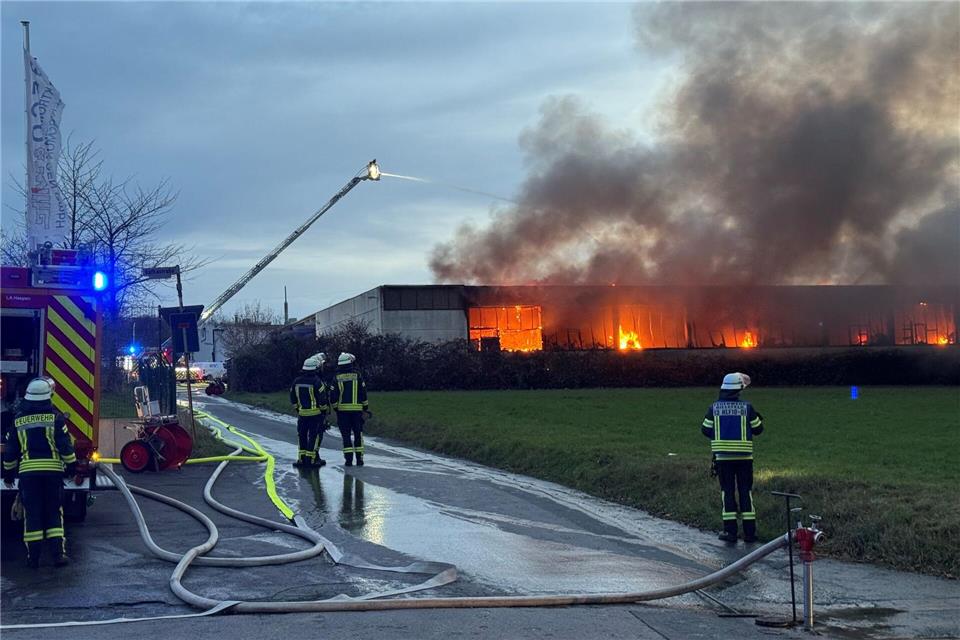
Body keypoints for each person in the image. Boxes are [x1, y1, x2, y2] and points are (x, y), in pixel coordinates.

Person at [2, 378, 76, 568]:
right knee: (54, 512)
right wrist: (71, 467)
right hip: (53, 474)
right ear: (48, 397)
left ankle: (33, 558)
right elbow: (65, 447)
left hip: (29, 475)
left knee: (32, 514)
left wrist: (8, 474)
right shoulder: (56, 419)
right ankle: (58, 555)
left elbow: (10, 451)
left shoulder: (18, 420)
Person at [701, 372, 764, 543]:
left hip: (723, 459)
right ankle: (750, 534)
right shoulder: (747, 408)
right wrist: (756, 416)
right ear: (738, 389)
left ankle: (730, 533)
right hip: (744, 459)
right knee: (746, 492)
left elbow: (705, 430)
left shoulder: (714, 408)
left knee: (727, 492)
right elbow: (758, 429)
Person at [330, 352, 371, 466]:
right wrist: (365, 407)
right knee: (358, 434)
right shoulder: (357, 375)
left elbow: (333, 396)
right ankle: (359, 459)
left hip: (342, 412)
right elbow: (363, 392)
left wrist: (335, 408)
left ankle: (348, 460)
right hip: (357, 411)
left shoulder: (337, 378)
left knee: (346, 435)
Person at [289, 356, 329, 468]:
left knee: (301, 435)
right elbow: (322, 399)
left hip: (302, 414)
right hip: (316, 415)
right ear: (315, 368)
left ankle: (301, 459)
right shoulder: (317, 382)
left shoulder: (296, 382)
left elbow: (292, 397)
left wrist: (298, 409)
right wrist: (324, 411)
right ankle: (311, 459)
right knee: (314, 436)